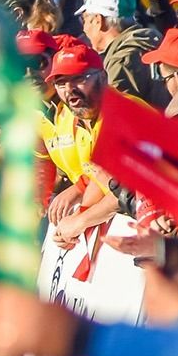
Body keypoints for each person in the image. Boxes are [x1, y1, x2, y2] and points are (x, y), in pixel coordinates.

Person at [36, 43, 121, 244]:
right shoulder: (77, 117)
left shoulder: (121, 116)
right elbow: (96, 177)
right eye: (61, 83)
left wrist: (79, 221)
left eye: (79, 79)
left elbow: (127, 191)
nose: (69, 90)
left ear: (103, 77)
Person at [78, 0, 166, 106]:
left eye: (85, 19)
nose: (84, 28)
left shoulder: (121, 62)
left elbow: (115, 116)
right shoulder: (153, 42)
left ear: (98, 21)